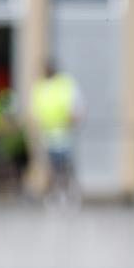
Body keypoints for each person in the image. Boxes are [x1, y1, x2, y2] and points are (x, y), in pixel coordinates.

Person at [30, 60, 84, 205]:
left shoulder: (65, 84)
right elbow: (36, 110)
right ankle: (54, 194)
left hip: (64, 133)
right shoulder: (40, 87)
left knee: (65, 167)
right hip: (48, 135)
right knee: (51, 168)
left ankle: (68, 194)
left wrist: (74, 119)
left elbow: (77, 107)